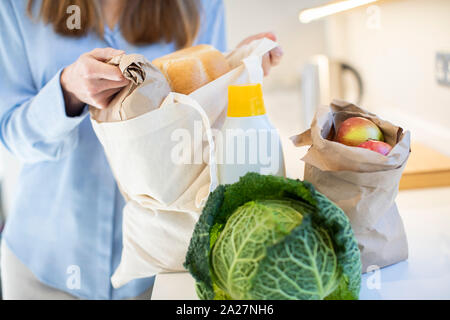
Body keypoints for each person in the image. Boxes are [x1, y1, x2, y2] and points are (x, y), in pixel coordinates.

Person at [0, 0, 283, 300]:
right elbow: (10, 133)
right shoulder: (16, 7)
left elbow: (208, 128)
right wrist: (66, 92)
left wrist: (236, 69)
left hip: (160, 270)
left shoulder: (201, 5)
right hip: (44, 267)